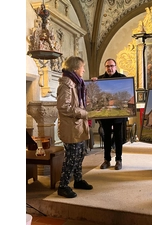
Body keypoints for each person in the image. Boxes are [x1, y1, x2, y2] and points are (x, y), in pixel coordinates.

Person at [56, 56, 93, 198]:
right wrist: (84, 113)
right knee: (71, 157)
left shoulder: (77, 83)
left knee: (80, 154)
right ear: (76, 68)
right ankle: (63, 186)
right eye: (82, 67)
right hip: (70, 127)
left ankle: (78, 180)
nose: (84, 70)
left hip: (78, 126)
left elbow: (78, 102)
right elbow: (63, 107)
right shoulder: (65, 85)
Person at [92, 58, 128, 170]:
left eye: (112, 66)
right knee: (106, 137)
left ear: (115, 66)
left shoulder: (123, 78)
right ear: (105, 67)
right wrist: (93, 83)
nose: (110, 68)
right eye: (107, 66)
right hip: (105, 115)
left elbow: (127, 92)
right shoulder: (100, 79)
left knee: (118, 137)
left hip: (118, 114)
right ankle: (106, 160)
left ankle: (118, 160)